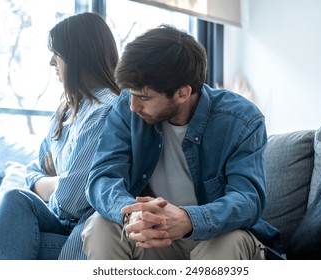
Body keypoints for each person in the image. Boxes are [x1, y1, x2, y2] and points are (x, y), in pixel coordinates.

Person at [81, 24, 281, 260]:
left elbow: (248, 199)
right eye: (131, 94)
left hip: (215, 236)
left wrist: (188, 219)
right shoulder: (127, 108)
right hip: (157, 238)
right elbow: (102, 177)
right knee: (100, 225)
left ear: (183, 93)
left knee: (231, 240)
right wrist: (131, 215)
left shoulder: (242, 120)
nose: (134, 106)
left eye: (144, 97)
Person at [0, 12, 120, 260]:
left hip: (81, 228)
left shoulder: (105, 111)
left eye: (57, 54)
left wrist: (53, 181)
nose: (51, 62)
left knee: (14, 203)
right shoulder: (67, 110)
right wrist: (59, 180)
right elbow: (33, 170)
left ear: (78, 57)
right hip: (55, 218)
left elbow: (72, 202)